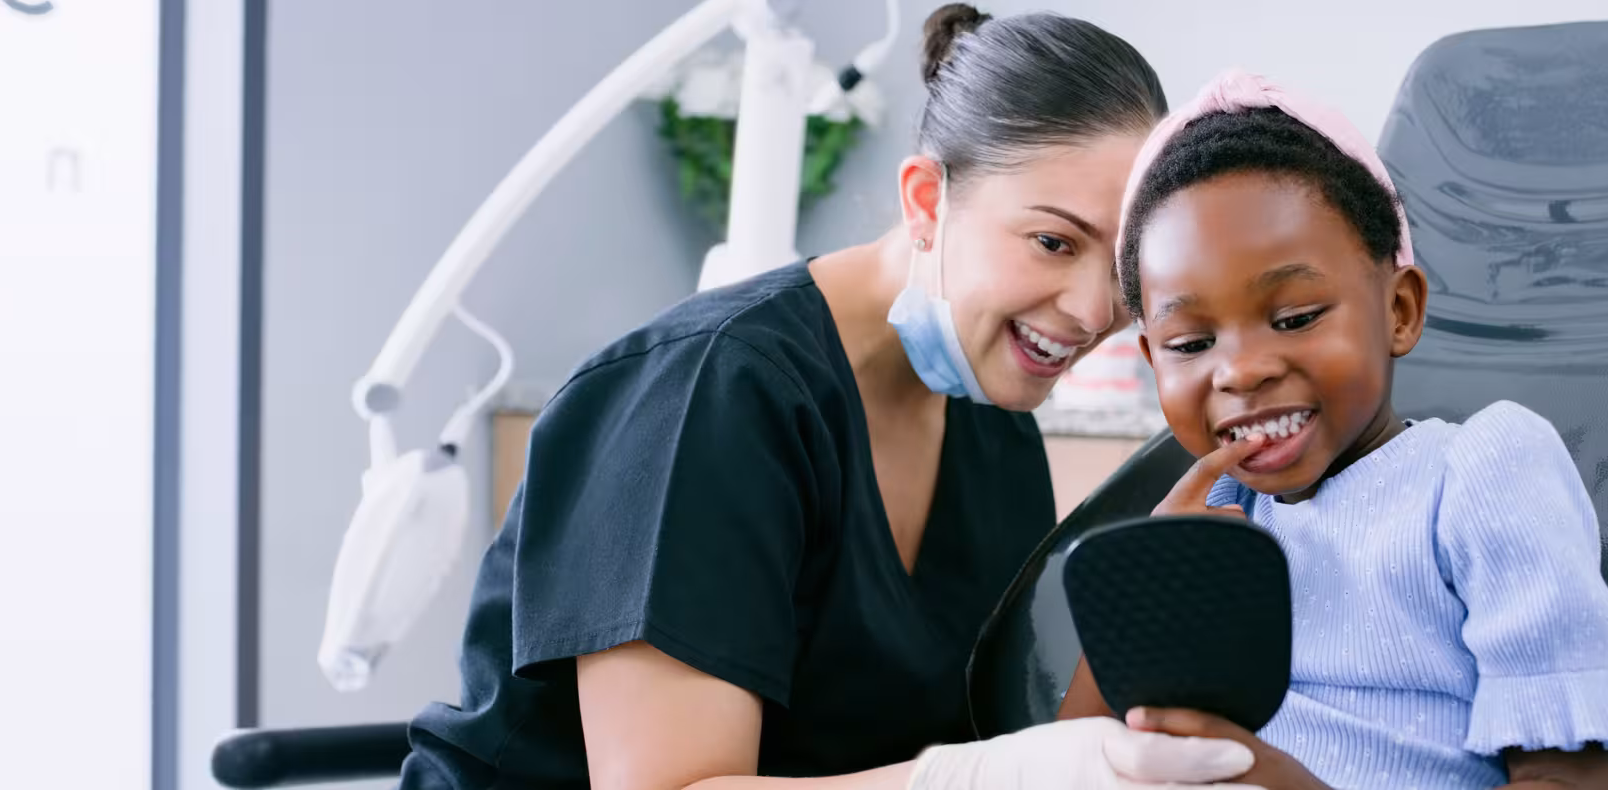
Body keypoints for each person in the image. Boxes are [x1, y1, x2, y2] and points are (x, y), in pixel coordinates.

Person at [398, 7, 1267, 790]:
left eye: (1121, 274)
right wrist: (979, 780)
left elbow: (991, 732)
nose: (1091, 313)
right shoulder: (718, 391)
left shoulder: (991, 428)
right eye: (1050, 242)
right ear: (927, 200)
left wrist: (1137, 623)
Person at [1061, 70, 1608, 790]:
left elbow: (1577, 784)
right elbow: (1061, 766)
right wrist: (1146, 587)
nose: (1243, 372)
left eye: (1296, 318)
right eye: (1192, 345)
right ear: (1153, 359)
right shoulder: (1217, 516)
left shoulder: (1479, 473)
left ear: (1399, 309)